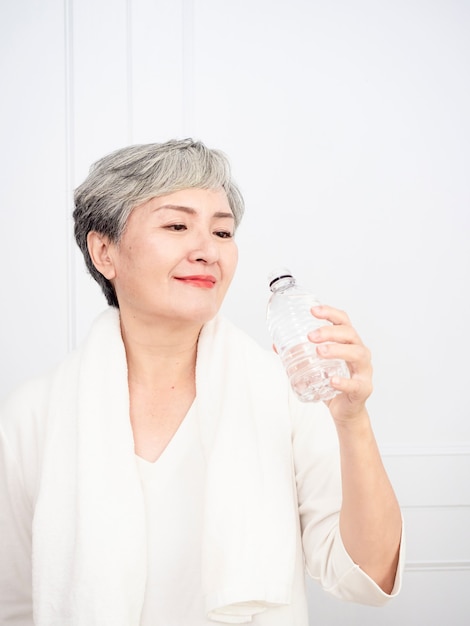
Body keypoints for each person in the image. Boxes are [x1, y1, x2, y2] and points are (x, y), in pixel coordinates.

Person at [0, 139, 404, 625]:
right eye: (176, 225)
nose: (208, 251)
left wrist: (353, 420)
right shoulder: (32, 414)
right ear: (104, 251)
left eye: (223, 231)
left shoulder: (285, 393)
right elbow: (15, 604)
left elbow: (367, 574)